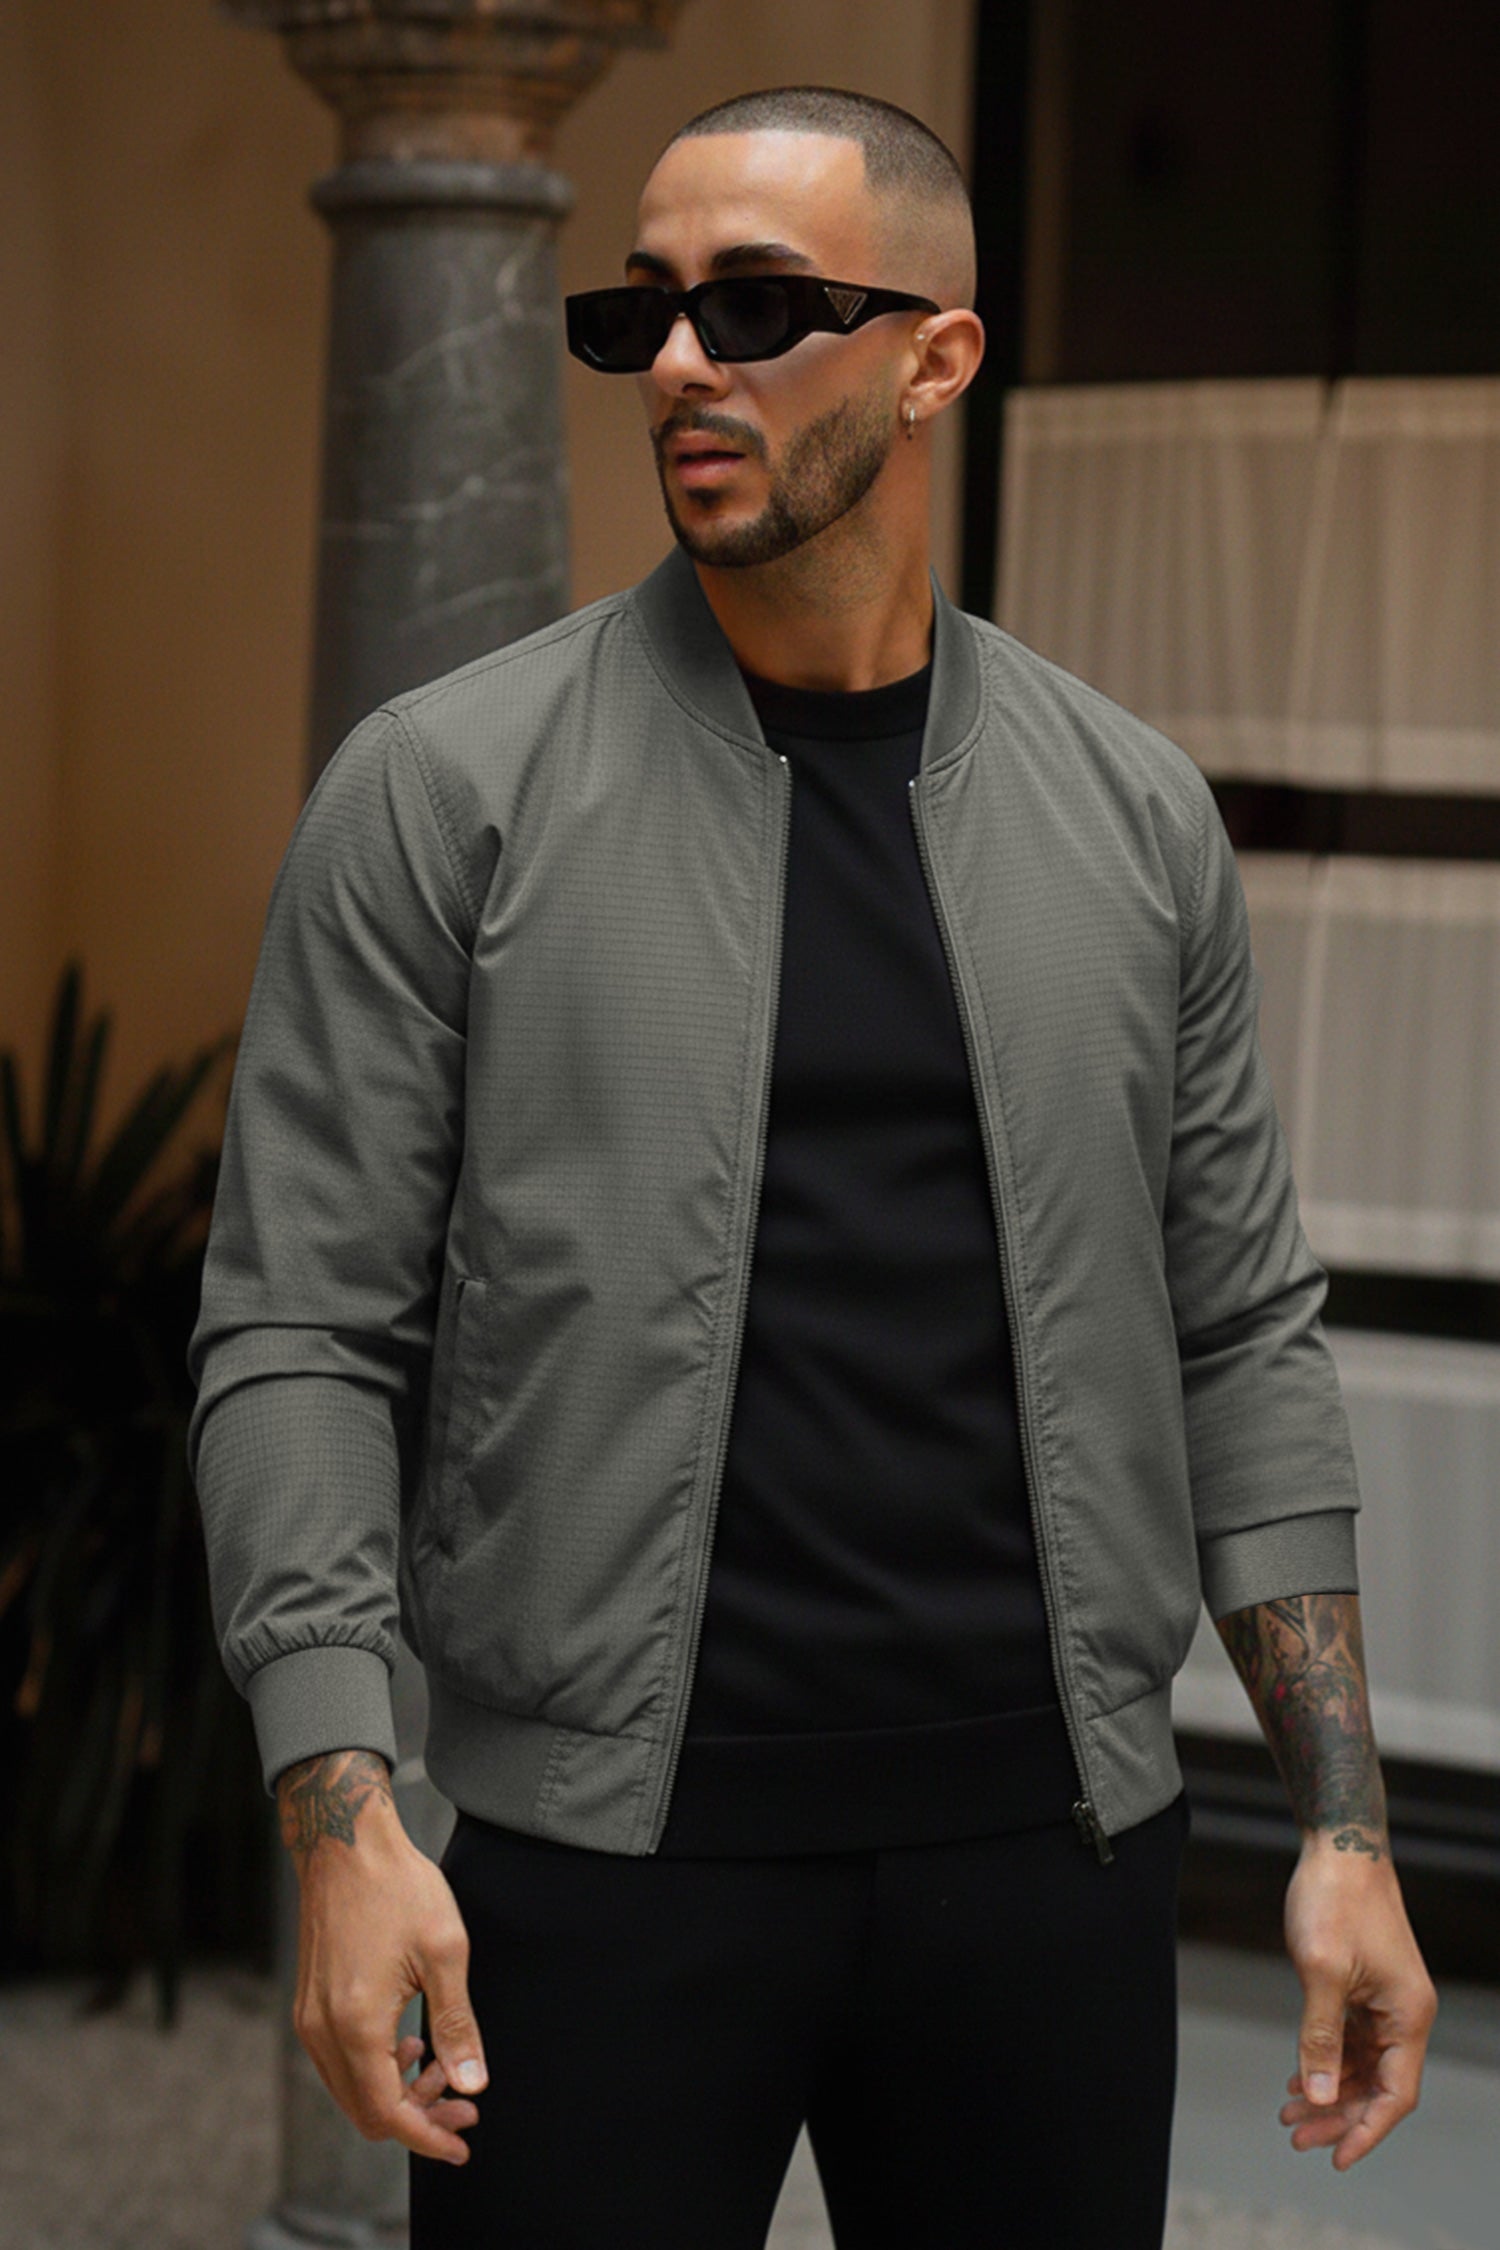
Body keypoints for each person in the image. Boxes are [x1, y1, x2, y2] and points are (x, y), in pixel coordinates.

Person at [187, 85, 1437, 2250]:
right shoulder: (441, 794)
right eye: (642, 314)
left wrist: (1342, 1824)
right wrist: (343, 1812)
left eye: (758, 308)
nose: (682, 364)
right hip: (599, 1869)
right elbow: (298, 1327)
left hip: (1046, 1860)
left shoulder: (1134, 817)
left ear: (938, 358)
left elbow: (1240, 1328)